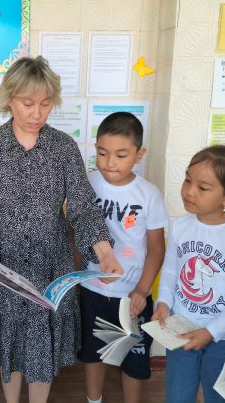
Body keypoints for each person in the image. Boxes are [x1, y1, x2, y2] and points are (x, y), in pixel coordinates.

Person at [0, 56, 124, 403]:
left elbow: (82, 207)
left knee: (39, 351)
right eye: (27, 103)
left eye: (46, 104)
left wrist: (105, 253)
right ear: (8, 99)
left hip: (50, 266)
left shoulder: (63, 147)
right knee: (10, 347)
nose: (37, 114)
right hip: (3, 264)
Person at [153, 145, 225, 403]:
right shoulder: (180, 226)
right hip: (181, 329)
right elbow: (171, 270)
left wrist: (211, 332)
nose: (189, 191)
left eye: (202, 187)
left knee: (218, 398)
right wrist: (163, 303)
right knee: (177, 397)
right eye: (187, 180)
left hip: (224, 339)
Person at [78, 112, 168, 403]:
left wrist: (142, 289)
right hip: (92, 289)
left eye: (120, 155)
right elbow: (75, 228)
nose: (109, 162)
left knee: (135, 360)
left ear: (139, 155)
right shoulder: (87, 184)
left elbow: (156, 248)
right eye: (102, 152)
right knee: (92, 353)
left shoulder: (149, 194)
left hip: (132, 295)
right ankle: (94, 400)